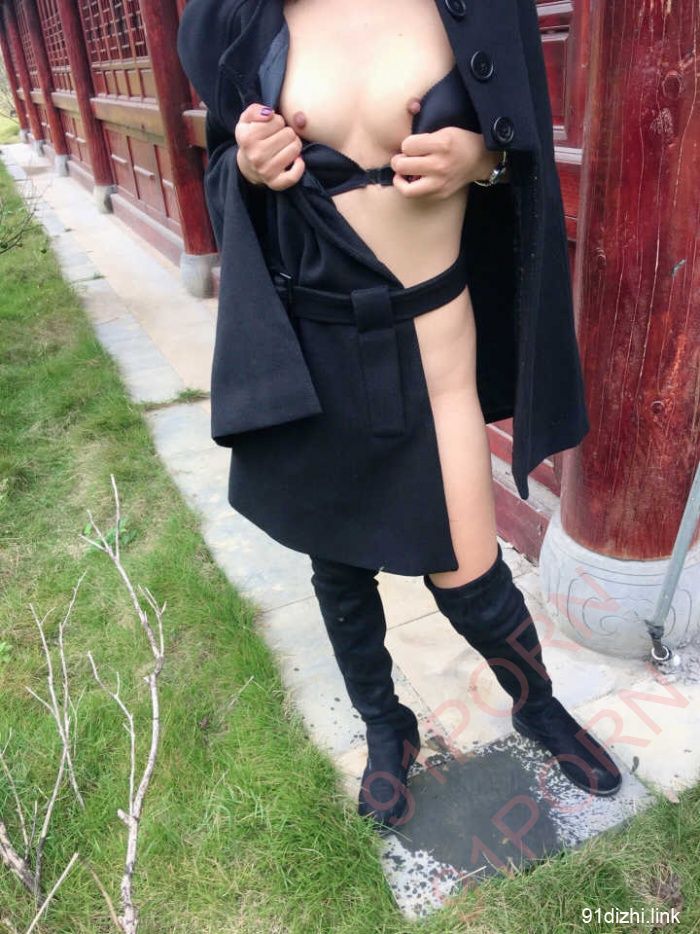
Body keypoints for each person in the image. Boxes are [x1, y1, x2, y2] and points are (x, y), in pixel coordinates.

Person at [177, 0, 622, 832]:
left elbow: (523, 143)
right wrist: (247, 165)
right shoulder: (238, 16)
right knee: (341, 572)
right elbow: (220, 173)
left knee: (470, 571)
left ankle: (537, 705)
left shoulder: (479, 8)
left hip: (435, 349)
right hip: (315, 344)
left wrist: (483, 156)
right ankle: (388, 727)